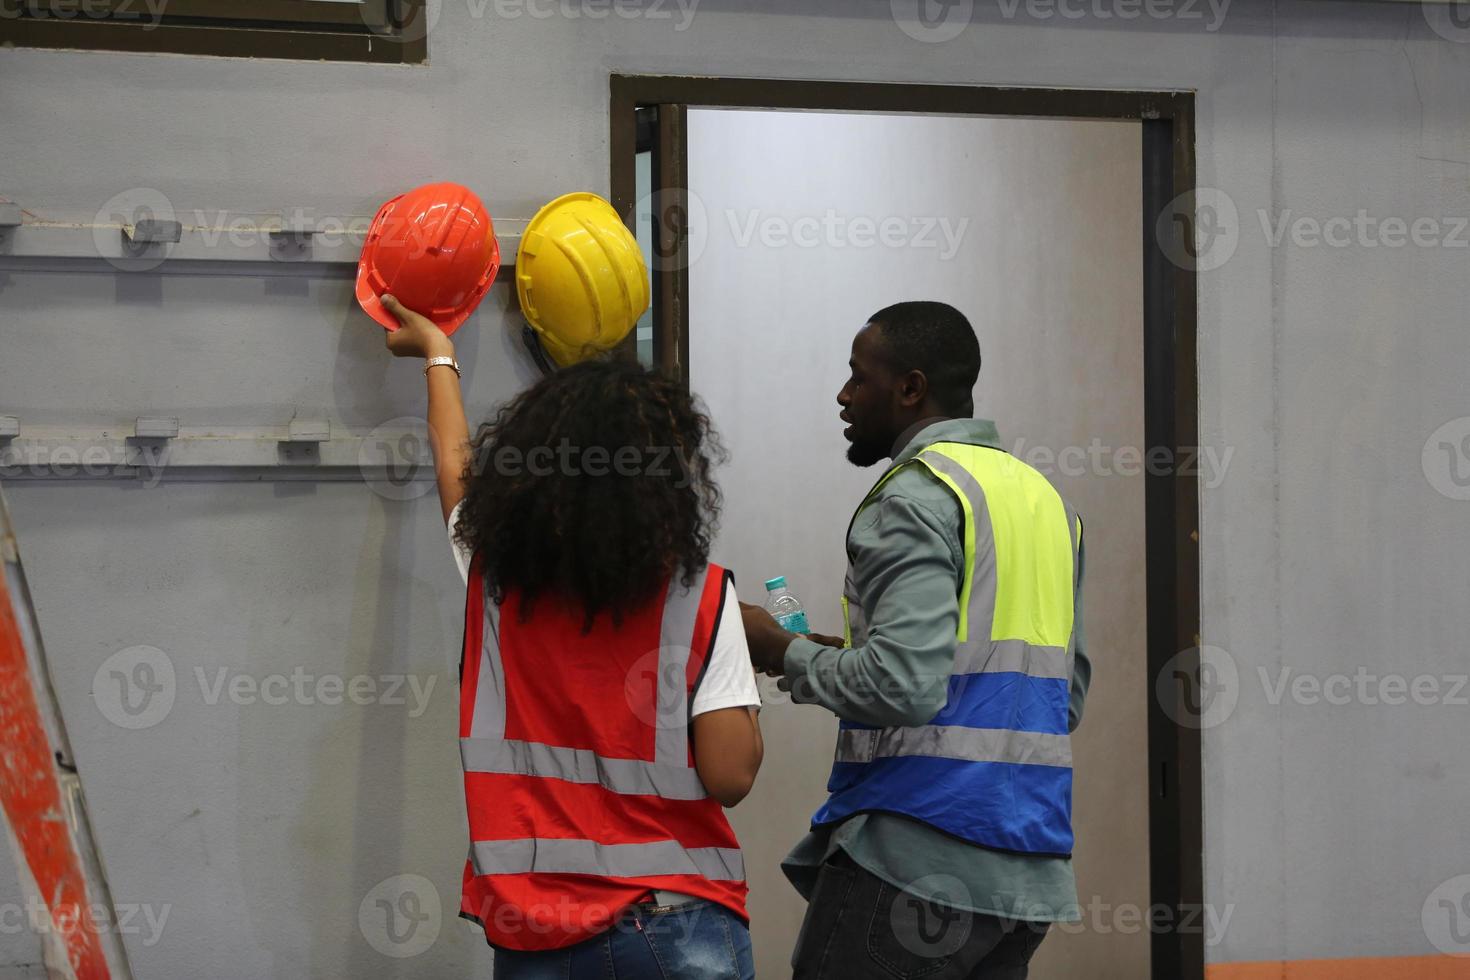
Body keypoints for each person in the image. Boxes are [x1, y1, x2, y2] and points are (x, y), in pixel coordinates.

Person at [379, 294, 763, 979]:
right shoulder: (700, 596)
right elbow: (730, 775)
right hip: (673, 926)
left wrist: (440, 353)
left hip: (535, 936)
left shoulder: (496, 581)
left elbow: (456, 469)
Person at [740, 301, 1091, 980]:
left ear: (911, 388)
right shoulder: (1047, 504)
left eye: (857, 377)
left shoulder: (917, 497)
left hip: (918, 860)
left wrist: (779, 648)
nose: (843, 395)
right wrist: (843, 657)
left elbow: (906, 685)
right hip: (1023, 881)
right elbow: (1058, 698)